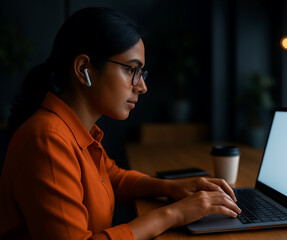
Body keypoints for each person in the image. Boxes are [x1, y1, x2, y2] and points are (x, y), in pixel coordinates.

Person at [0, 7, 241, 240]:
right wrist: (174, 213)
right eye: (131, 70)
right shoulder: (48, 141)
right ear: (83, 68)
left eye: (141, 73)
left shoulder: (75, 130)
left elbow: (112, 177)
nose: (142, 86)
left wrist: (172, 188)